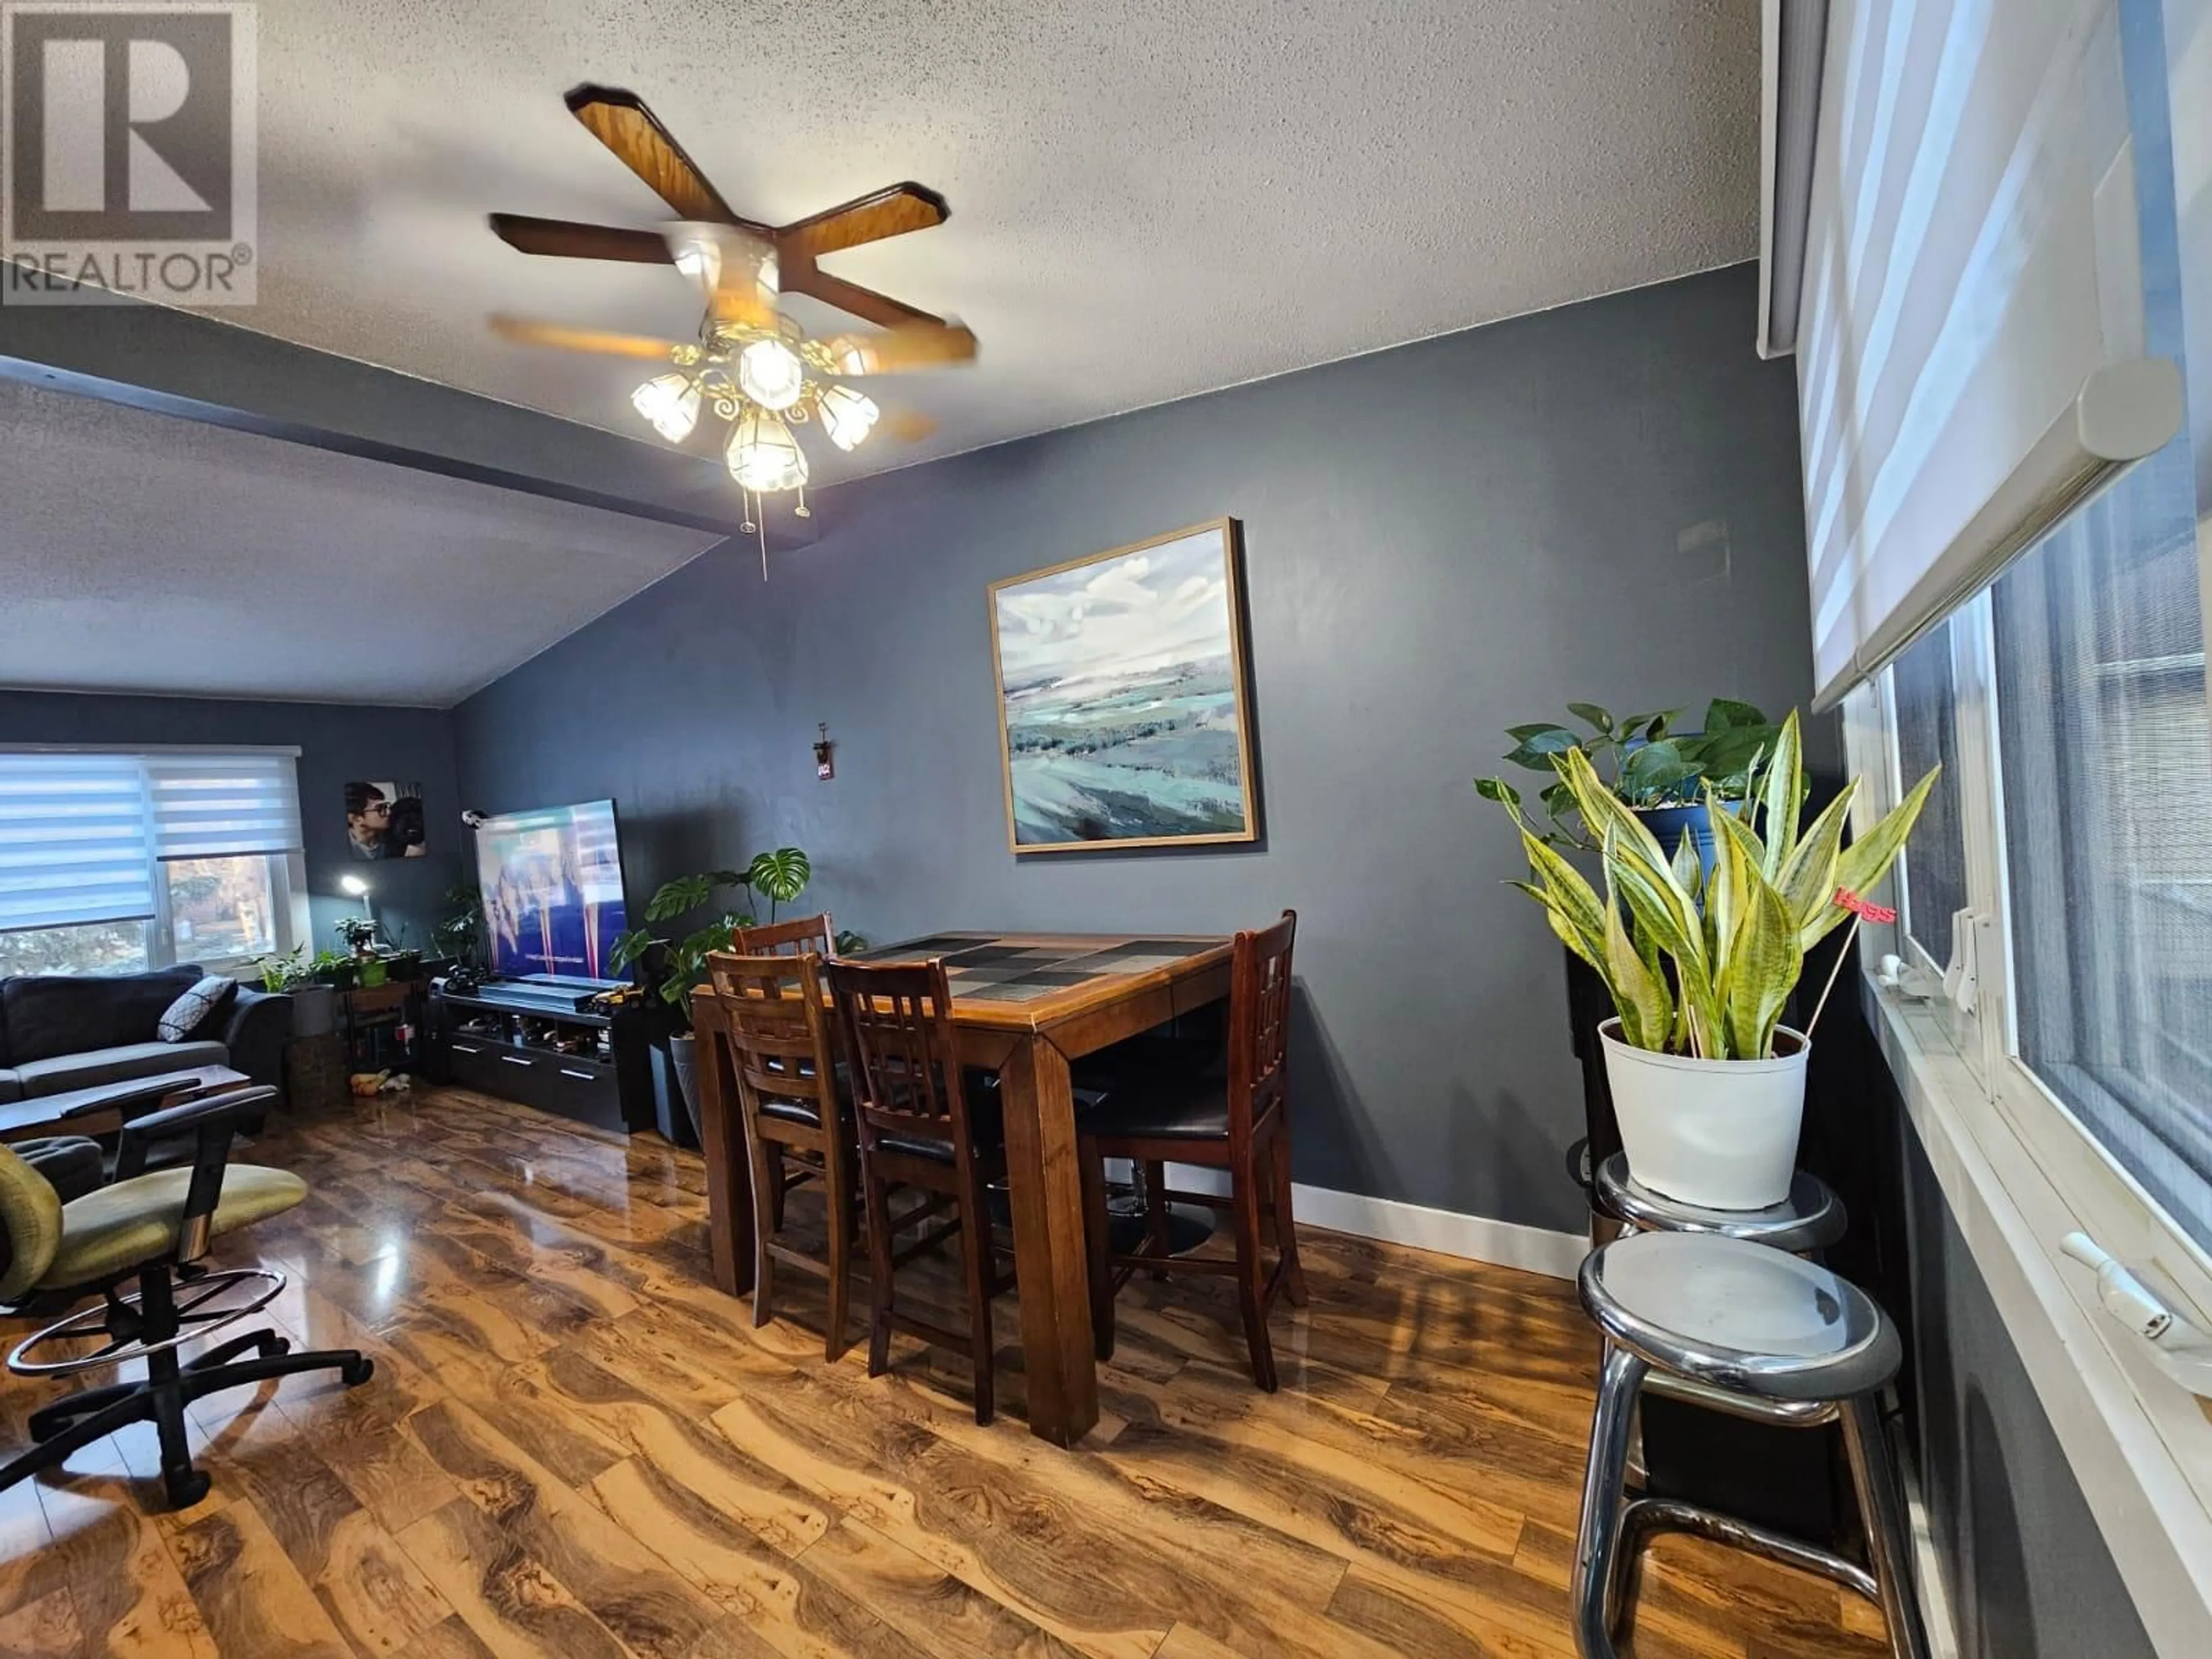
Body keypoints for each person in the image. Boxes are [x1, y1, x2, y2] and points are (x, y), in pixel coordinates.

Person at [345, 782, 393, 860]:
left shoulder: (392, 838)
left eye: (386, 807)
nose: (389, 812)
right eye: (380, 809)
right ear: (357, 819)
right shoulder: (344, 849)